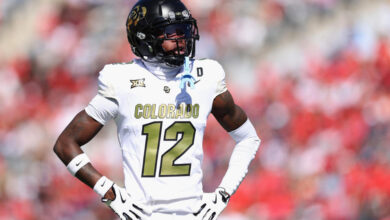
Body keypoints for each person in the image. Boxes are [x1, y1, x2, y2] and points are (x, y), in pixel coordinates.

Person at [53, 0, 260, 219]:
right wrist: (107, 191)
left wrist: (224, 193)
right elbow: (66, 143)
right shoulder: (122, 80)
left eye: (185, 30)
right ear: (145, 37)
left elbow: (248, 138)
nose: (183, 38)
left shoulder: (205, 76)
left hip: (194, 214)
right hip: (142, 214)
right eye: (172, 32)